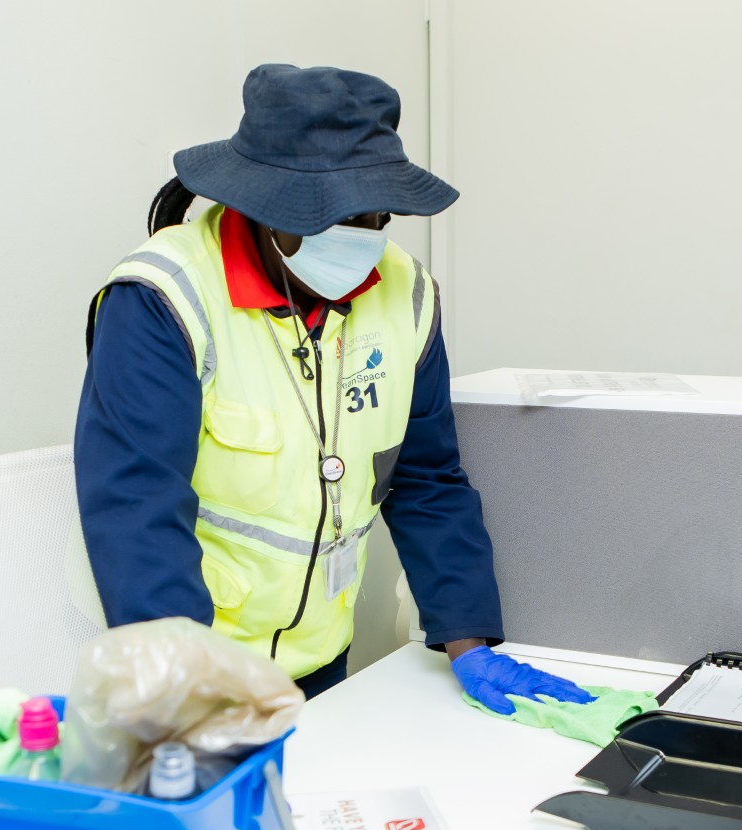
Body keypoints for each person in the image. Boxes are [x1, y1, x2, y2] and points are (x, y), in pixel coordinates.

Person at [73, 64, 591, 714]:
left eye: (376, 215)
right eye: (335, 216)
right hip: (183, 671)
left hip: (318, 664)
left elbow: (427, 478)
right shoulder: (164, 298)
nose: (361, 235)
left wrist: (468, 640)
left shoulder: (406, 293)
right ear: (264, 205)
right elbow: (137, 505)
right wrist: (188, 700)